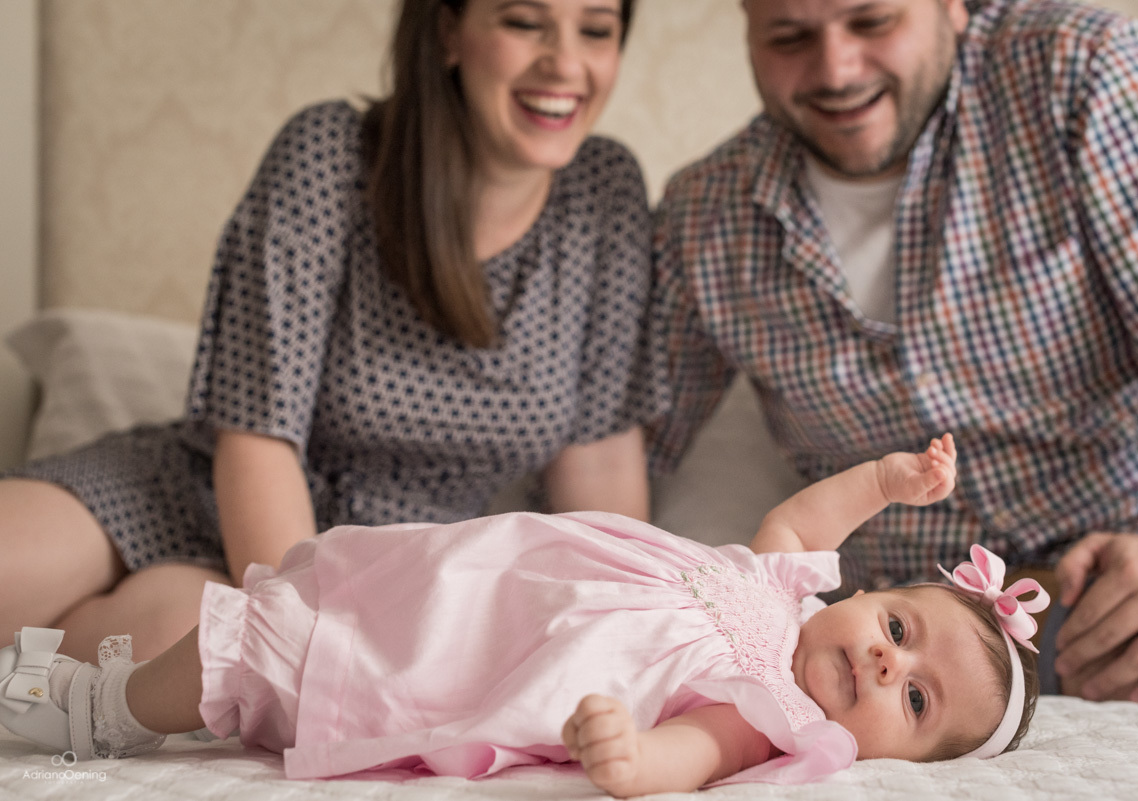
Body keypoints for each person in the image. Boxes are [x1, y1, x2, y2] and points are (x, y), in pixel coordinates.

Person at [0, 0, 665, 662]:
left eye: (597, 30)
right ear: (448, 32)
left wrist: (610, 632)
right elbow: (257, 436)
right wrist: (298, 618)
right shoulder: (329, 155)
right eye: (525, 23)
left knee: (178, 639)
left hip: (381, 569)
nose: (567, 63)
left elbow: (599, 464)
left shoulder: (605, 192)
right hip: (205, 494)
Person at [648, 0, 1138, 708]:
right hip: (891, 671)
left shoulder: (1076, 68)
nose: (836, 70)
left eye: (873, 21)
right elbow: (620, 447)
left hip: (1133, 588)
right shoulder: (706, 213)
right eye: (789, 36)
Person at [0, 435, 1047, 796]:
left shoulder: (772, 708)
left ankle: (101, 711)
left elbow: (695, 749)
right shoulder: (779, 584)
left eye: (913, 701)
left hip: (462, 668)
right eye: (899, 631)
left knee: (264, 651)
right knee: (291, 603)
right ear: (864, 593)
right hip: (463, 586)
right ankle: (95, 694)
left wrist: (631, 761)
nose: (877, 663)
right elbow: (800, 513)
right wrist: (888, 480)